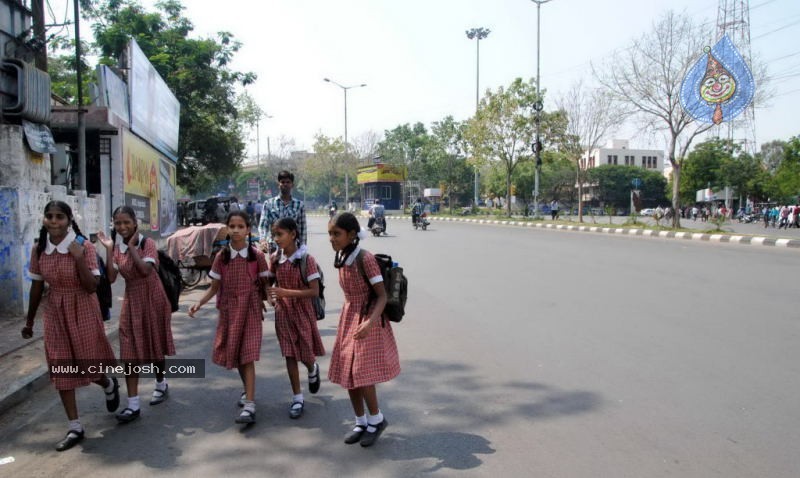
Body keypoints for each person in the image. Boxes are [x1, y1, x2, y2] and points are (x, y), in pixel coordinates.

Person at [21, 201, 120, 452]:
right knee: (61, 366)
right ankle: (75, 426)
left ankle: (107, 384)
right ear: (44, 220)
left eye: (59, 217)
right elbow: (36, 287)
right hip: (55, 311)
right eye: (49, 217)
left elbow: (91, 286)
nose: (54, 221)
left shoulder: (83, 246)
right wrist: (30, 321)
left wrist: (77, 259)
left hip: (83, 306)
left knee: (88, 364)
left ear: (68, 220)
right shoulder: (39, 249)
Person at [327, 212, 400, 447]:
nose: (332, 238)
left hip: (369, 320)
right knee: (349, 373)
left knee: (361, 372)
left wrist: (369, 323)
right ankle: (360, 421)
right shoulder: (342, 256)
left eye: (336, 234)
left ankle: (376, 420)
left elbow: (382, 296)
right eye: (330, 233)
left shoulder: (365, 259)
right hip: (349, 318)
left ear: (351, 235)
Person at [96, 206, 175, 423]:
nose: (122, 227)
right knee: (129, 350)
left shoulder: (146, 243)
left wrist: (131, 248)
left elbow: (145, 270)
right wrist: (110, 249)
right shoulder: (117, 246)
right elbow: (111, 279)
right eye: (117, 223)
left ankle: (161, 383)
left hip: (153, 297)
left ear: (135, 222)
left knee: (154, 344)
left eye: (126, 222)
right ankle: (133, 405)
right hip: (132, 300)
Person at [189, 211, 269, 425]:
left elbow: (265, 285)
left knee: (248, 355)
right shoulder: (221, 257)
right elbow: (214, 287)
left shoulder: (257, 257)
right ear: (227, 229)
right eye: (232, 226)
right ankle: (247, 391)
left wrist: (272, 300)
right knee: (239, 356)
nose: (236, 230)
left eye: (240, 226)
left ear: (248, 230)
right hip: (230, 311)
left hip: (251, 309)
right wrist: (199, 302)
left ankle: (250, 405)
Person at [266, 217, 325, 419]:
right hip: (283, 314)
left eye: (280, 234)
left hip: (303, 313)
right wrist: (271, 298)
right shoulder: (275, 259)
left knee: (306, 353)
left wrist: (286, 293)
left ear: (293, 234)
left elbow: (314, 291)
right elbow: (269, 284)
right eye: (274, 235)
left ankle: (312, 367)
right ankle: (297, 398)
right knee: (290, 354)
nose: (276, 239)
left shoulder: (306, 260)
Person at [258, 170, 307, 252]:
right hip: (274, 247)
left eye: (288, 182)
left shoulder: (299, 205)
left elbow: (302, 230)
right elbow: (263, 225)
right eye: (282, 182)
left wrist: (303, 249)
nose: (285, 184)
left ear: (292, 185)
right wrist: (263, 240)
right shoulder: (268, 204)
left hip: (293, 249)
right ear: (279, 184)